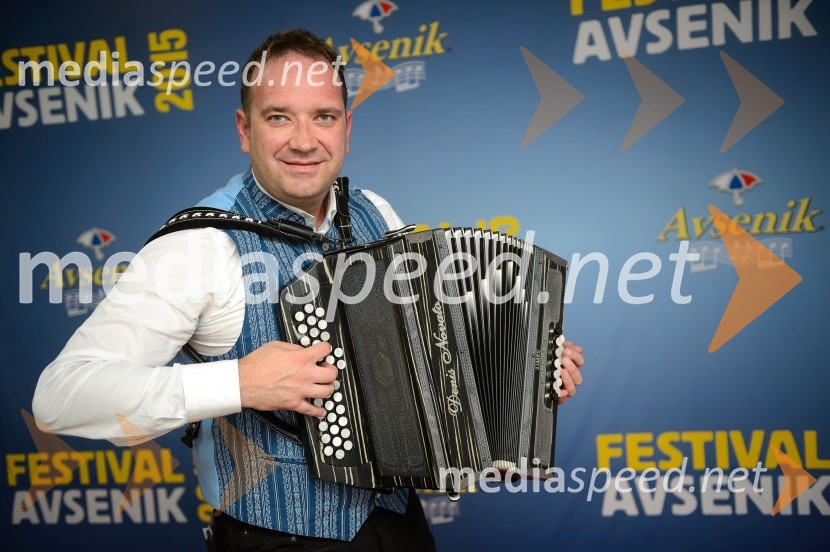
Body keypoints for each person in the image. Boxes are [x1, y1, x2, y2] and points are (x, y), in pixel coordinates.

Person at [33, 28, 585, 550]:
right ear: (245, 129)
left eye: (323, 117)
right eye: (279, 117)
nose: (304, 141)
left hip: (401, 527)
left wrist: (519, 381)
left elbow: (426, 362)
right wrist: (238, 381)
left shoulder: (376, 212)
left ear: (347, 128)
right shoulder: (198, 247)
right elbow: (61, 398)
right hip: (274, 540)